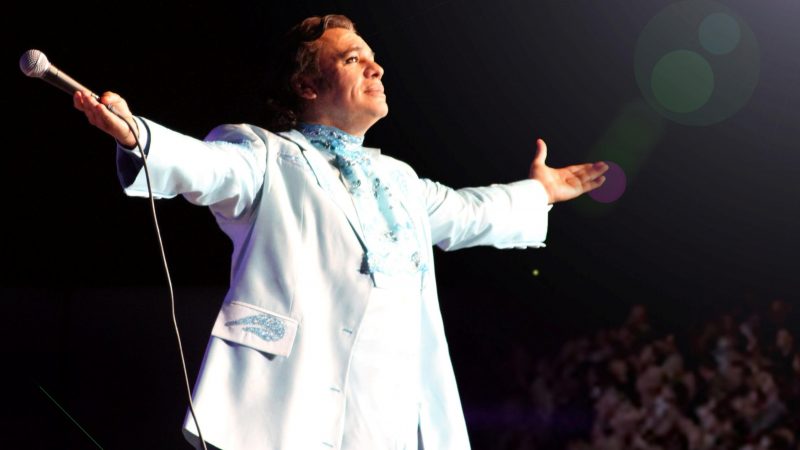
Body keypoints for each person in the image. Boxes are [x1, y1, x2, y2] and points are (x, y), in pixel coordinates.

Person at [73, 14, 607, 450]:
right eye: (352, 59)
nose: (376, 67)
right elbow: (207, 167)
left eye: (373, 58)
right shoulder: (265, 155)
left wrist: (539, 192)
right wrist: (138, 135)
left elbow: (467, 213)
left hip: (395, 414)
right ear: (307, 85)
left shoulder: (398, 180)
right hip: (297, 404)